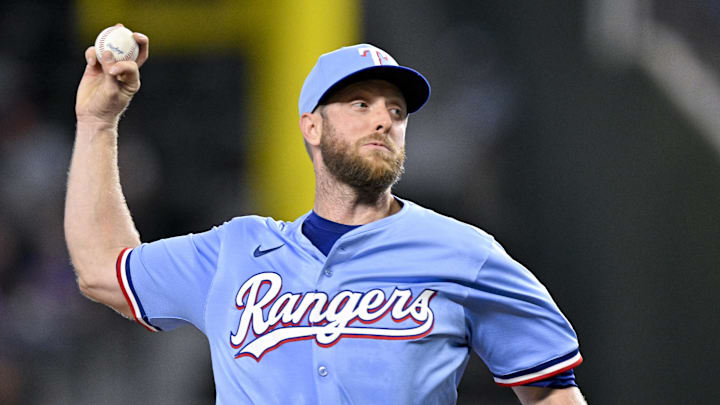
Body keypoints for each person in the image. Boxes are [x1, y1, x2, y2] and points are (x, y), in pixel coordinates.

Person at [66, 25, 587, 405]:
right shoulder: (234, 252)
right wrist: (97, 122)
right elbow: (100, 267)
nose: (384, 119)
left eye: (396, 111)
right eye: (360, 104)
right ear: (311, 128)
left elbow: (550, 393)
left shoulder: (464, 254)